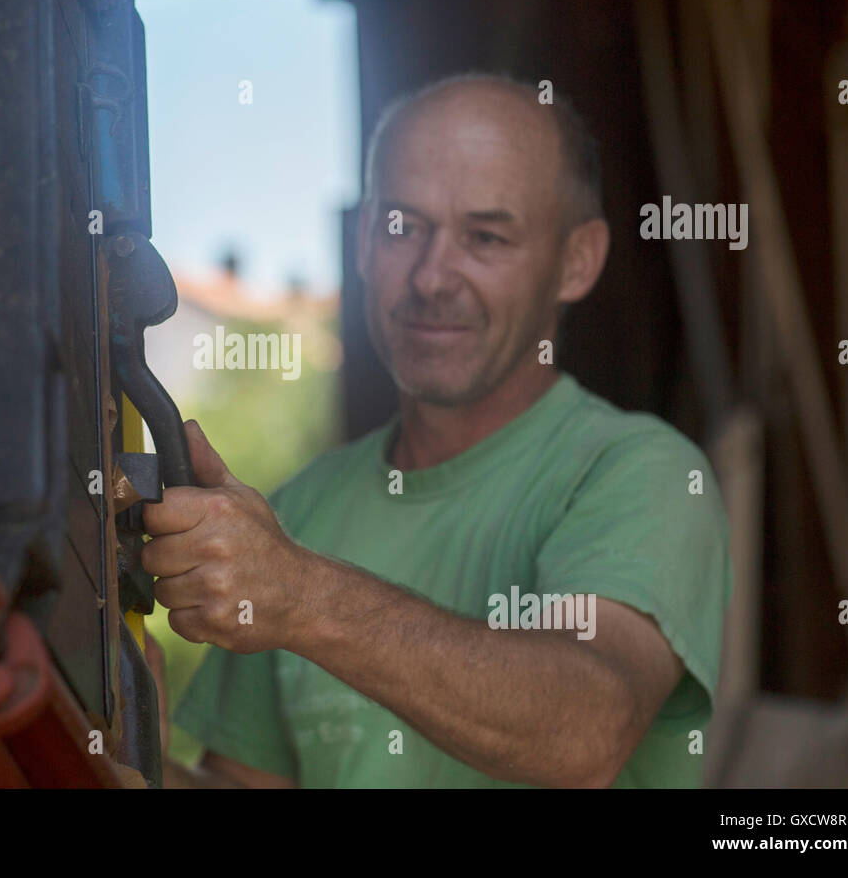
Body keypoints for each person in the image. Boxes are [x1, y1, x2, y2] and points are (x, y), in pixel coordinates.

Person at [141, 73, 731, 788]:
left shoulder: (642, 472)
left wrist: (303, 597)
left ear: (577, 261)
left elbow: (585, 729)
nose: (431, 277)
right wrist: (130, 765)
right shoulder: (302, 511)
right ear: (362, 241)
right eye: (402, 228)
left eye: (485, 236)